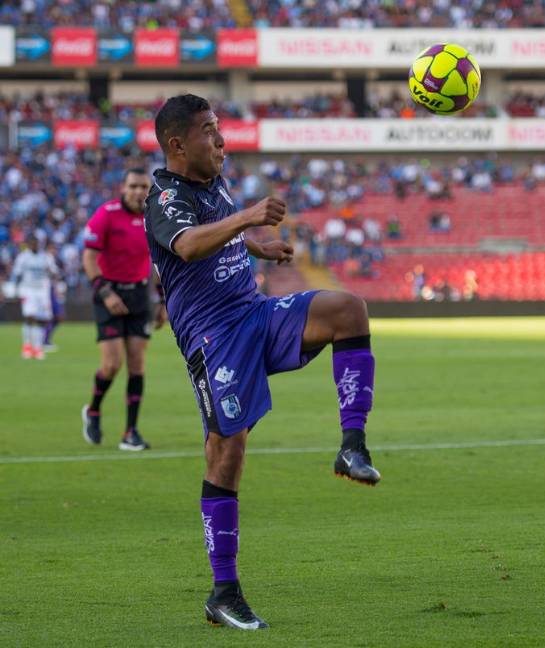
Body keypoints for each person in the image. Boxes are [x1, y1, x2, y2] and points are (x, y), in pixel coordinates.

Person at [143, 94, 380, 630]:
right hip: (215, 339)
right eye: (208, 131)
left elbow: (220, 233)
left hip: (253, 313)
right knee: (227, 454)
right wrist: (248, 217)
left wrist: (256, 246)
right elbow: (188, 245)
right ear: (177, 144)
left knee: (348, 310)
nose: (221, 140)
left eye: (219, 127)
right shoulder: (165, 197)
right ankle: (223, 592)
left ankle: (352, 446)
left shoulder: (212, 181)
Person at [81, 168, 165, 451]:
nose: (138, 192)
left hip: (139, 296)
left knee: (137, 365)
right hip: (109, 293)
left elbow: (158, 263)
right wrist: (105, 294)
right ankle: (93, 410)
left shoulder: (154, 217)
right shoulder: (107, 214)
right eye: (133, 186)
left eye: (143, 186)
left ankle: (131, 432)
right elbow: (89, 257)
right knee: (112, 364)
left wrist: (162, 301)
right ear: (123, 188)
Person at [11, 234, 59, 360]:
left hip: (43, 291)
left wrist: (52, 272)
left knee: (41, 319)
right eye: (32, 243)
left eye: (36, 243)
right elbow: (16, 274)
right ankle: (27, 346)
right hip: (28, 290)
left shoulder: (46, 257)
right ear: (28, 245)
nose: (34, 246)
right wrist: (15, 290)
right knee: (29, 316)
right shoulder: (23, 257)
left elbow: (55, 272)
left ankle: (37, 348)